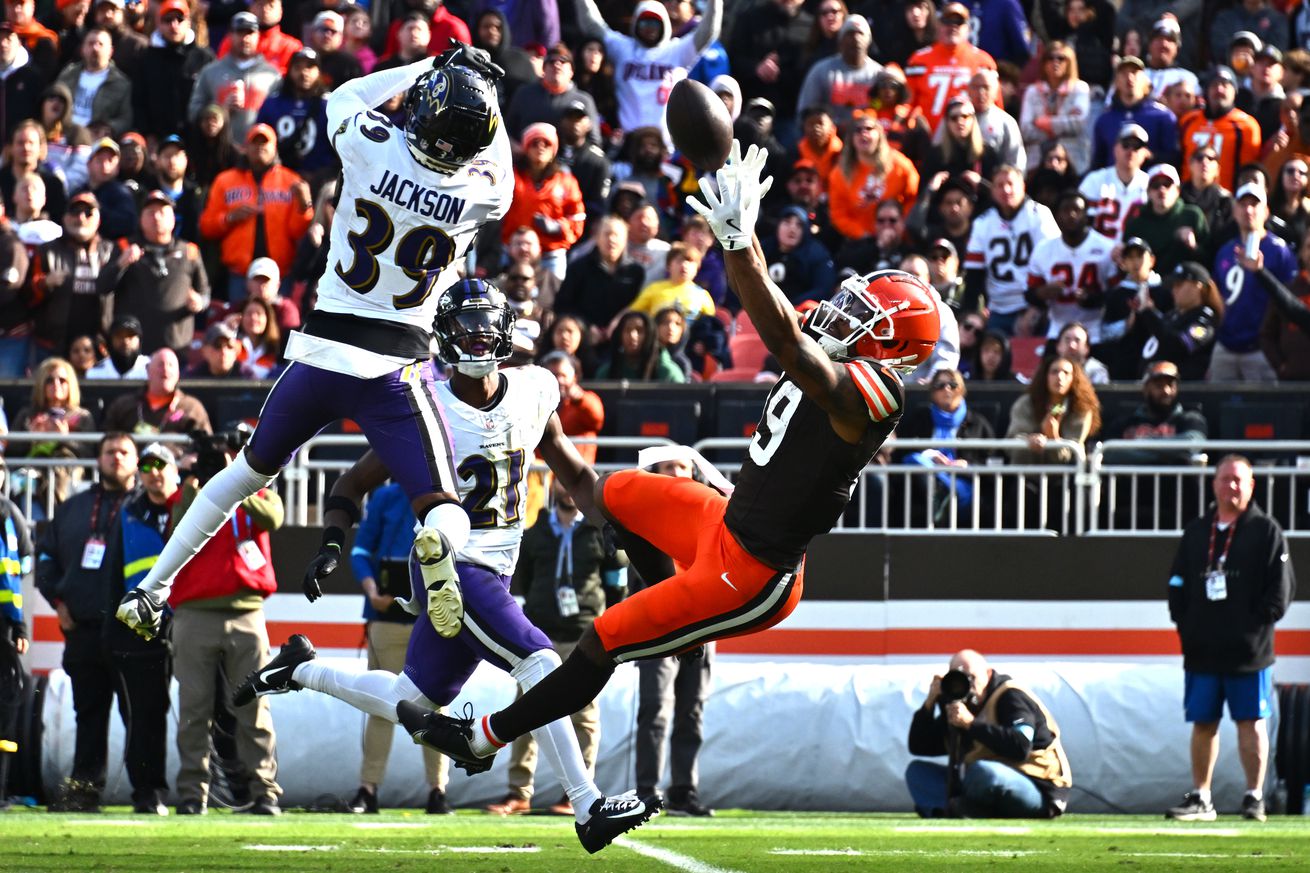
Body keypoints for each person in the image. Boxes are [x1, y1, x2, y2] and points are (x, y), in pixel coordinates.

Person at [394, 143, 940, 820]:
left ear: (891, 348)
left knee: (604, 637)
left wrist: (737, 239)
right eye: (852, 302)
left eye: (866, 317)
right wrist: (745, 240)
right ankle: (668, 597)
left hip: (753, 571)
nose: (844, 312)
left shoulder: (875, 394)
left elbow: (787, 343)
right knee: (612, 492)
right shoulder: (837, 351)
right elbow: (774, 310)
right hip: (724, 519)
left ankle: (482, 736)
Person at [237, 280, 657, 853]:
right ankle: (586, 806)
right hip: (448, 563)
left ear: (507, 329)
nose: (479, 337)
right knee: (538, 660)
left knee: (416, 695)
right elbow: (350, 482)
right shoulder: (421, 402)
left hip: (497, 567)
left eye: (488, 325)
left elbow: (577, 475)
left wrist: (611, 524)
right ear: (443, 337)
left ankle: (300, 670)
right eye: (466, 327)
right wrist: (334, 540)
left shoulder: (535, 390)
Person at [115, 46, 514, 644]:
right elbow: (501, 173)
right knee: (442, 503)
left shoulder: (372, 145)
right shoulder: (480, 194)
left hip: (322, 350)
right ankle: (437, 547)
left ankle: (154, 587)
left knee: (243, 475)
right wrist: (487, 97)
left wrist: (426, 67)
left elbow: (344, 96)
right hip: (396, 368)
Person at [485, 476, 626, 818]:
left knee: (584, 715)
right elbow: (528, 579)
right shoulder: (536, 533)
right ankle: (518, 793)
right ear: (553, 487)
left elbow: (616, 581)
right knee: (526, 712)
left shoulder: (598, 532)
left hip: (585, 635)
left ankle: (578, 794)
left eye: (572, 484)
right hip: (540, 634)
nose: (567, 490)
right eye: (561, 484)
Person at [1164, 455, 1294, 823]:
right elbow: (1177, 584)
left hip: (1248, 654)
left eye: (1238, 480)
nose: (1231, 486)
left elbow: (1280, 593)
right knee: (1202, 723)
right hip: (1203, 650)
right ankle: (1201, 798)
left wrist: (1253, 630)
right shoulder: (1197, 531)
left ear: (1251, 486)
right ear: (1214, 484)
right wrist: (1187, 627)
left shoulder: (1266, 531)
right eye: (1225, 479)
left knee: (1250, 722)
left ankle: (1254, 797)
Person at [169, 434, 284, 815]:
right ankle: (191, 794)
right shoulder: (188, 492)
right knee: (193, 709)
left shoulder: (256, 487)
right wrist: (197, 482)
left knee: (254, 709)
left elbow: (273, 519)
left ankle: (265, 792)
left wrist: (234, 479)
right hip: (194, 614)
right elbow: (176, 527)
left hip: (246, 612)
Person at [34, 433, 138, 813]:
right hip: (84, 630)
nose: (116, 458)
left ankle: (149, 792)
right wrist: (58, 604)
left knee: (139, 715)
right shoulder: (73, 508)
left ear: (136, 460)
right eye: (110, 452)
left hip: (133, 634)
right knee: (89, 716)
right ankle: (84, 792)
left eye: (124, 452)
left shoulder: (147, 506)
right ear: (98, 459)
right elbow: (44, 562)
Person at [344, 478, 451, 814]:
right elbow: (360, 552)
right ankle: (368, 788)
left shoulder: (444, 498)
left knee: (434, 705)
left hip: (432, 619)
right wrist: (373, 592)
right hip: (389, 618)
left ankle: (437, 790)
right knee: (380, 703)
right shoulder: (386, 497)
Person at [100, 441, 178, 815]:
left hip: (192, 619)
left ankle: (229, 789)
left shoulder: (197, 505)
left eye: (161, 465)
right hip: (143, 629)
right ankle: (148, 792)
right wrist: (113, 628)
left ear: (175, 469)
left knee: (212, 710)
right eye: (147, 467)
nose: (154, 473)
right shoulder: (129, 513)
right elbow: (114, 572)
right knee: (145, 715)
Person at [905, 649, 1071, 818]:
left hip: (1036, 787)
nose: (966, 685)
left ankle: (963, 809)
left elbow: (1020, 747)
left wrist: (971, 724)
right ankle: (953, 811)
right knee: (917, 772)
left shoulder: (1010, 696)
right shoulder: (958, 704)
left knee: (984, 773)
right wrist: (930, 702)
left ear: (988, 674)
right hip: (981, 783)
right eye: (959, 678)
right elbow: (919, 746)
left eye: (972, 678)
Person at [574, 0, 722, 139]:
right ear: (636, 24)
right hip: (629, 142)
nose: (650, 29)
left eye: (655, 24)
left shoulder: (676, 51)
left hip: (666, 144)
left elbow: (707, 32)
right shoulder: (623, 49)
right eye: (645, 23)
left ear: (665, 26)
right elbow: (592, 25)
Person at [105, 190, 210, 356]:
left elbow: (205, 292)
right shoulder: (124, 246)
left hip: (177, 347)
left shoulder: (190, 251)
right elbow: (102, 286)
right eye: (150, 212)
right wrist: (121, 263)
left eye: (162, 212)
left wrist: (200, 302)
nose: (156, 217)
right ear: (141, 219)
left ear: (173, 219)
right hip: (133, 349)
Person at [1210, 183, 1296, 382]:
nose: (1248, 210)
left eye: (1254, 204)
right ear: (1234, 211)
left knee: (1263, 410)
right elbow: (1217, 296)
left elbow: (1290, 301)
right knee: (1216, 409)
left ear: (1266, 212)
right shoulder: (1225, 251)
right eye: (1242, 204)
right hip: (1225, 346)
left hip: (1261, 349)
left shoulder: (1279, 251)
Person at [963, 165, 1059, 335]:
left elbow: (1053, 265)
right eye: (999, 185)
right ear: (992, 190)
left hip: (1036, 305)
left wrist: (1036, 307)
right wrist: (969, 313)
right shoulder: (982, 223)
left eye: (1010, 183)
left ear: (1022, 186)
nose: (1006, 190)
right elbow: (974, 275)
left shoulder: (1040, 216)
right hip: (998, 309)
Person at [1026, 191, 1116, 344]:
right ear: (1057, 215)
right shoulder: (1043, 249)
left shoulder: (1106, 248)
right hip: (1057, 330)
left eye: (1077, 210)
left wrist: (1094, 299)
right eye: (1066, 210)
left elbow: (1117, 294)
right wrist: (1042, 293)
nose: (1072, 215)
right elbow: (1029, 294)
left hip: (1096, 330)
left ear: (1086, 215)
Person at [904, 3, 997, 133]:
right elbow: (906, 105)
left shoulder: (983, 61)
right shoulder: (918, 60)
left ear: (969, 28)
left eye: (959, 22)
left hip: (972, 141)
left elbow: (995, 109)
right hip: (929, 142)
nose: (953, 26)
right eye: (947, 21)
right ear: (938, 25)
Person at [0, 454, 32, 811]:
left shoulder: (8, 513)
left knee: (7, 704)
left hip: (4, 625)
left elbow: (16, 570)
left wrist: (18, 624)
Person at [1005, 355, 1100, 466]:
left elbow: (1070, 454)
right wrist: (1029, 440)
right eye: (1054, 372)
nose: (1059, 377)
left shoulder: (1081, 408)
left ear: (1074, 378)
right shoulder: (1025, 403)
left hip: (1065, 478)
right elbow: (1011, 443)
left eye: (1066, 373)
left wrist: (1053, 438)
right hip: (1026, 475)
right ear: (1045, 376)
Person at [794, 14, 881, 133]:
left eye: (860, 33)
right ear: (840, 41)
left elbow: (883, 112)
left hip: (866, 139)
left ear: (869, 40)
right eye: (850, 34)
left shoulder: (878, 75)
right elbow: (805, 113)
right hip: (829, 140)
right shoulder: (821, 71)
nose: (856, 38)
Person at [101, 347, 212, 437]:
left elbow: (205, 446)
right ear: (148, 370)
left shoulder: (191, 407)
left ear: (178, 373)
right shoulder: (123, 405)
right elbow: (106, 441)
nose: (165, 369)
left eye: (170, 365)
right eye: (160, 364)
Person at [1122, 164, 1209, 278]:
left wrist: (1193, 247)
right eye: (1156, 185)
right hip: (1147, 286)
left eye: (1167, 184)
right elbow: (1126, 263)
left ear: (1177, 190)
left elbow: (1209, 257)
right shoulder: (1136, 223)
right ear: (1148, 192)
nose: (1162, 189)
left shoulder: (1192, 216)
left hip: (1184, 285)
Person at [1079, 123, 1150, 241]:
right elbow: (1081, 223)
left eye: (1137, 146)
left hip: (1136, 254)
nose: (1130, 150)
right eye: (1126, 144)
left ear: (1146, 153)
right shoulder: (1095, 180)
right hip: (1098, 253)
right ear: (1115, 148)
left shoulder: (1151, 184)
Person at [85, 313, 148, 379]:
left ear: (139, 340)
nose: (125, 341)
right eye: (119, 336)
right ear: (110, 340)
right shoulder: (96, 372)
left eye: (130, 336)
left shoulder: (152, 369)